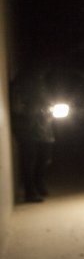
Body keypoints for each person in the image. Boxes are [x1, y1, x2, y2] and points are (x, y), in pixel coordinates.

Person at [10, 68, 56, 203]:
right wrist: (32, 111)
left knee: (45, 158)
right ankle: (30, 192)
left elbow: (47, 101)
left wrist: (49, 109)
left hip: (43, 129)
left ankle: (38, 183)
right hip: (27, 129)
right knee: (29, 161)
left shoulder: (41, 85)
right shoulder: (20, 86)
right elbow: (17, 108)